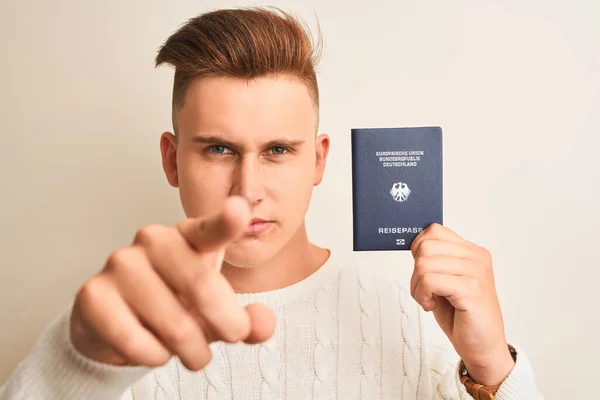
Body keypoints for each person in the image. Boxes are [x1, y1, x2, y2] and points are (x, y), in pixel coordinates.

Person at [0, 6, 544, 400]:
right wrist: (69, 371)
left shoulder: (417, 315)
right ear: (171, 160)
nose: (247, 188)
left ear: (318, 161)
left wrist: (492, 366)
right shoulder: (113, 326)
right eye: (218, 149)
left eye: (278, 150)